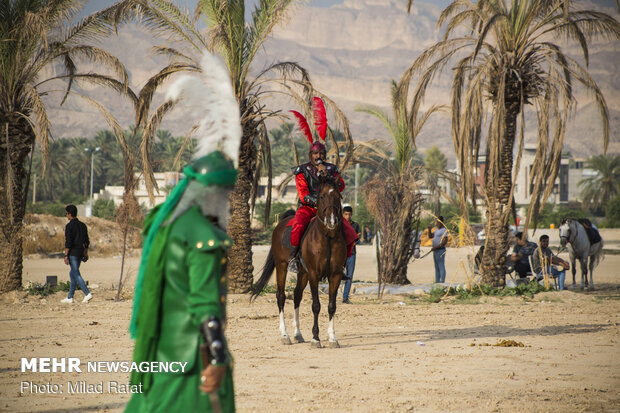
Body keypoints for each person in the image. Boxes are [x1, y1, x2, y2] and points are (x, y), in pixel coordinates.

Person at [125, 50, 238, 413]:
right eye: (225, 194)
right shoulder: (203, 235)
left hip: (161, 350)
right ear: (213, 192)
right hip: (192, 356)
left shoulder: (167, 221)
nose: (225, 202)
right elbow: (205, 305)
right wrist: (218, 359)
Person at [286, 100, 359, 273]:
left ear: (324, 154)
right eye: (315, 153)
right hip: (308, 208)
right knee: (297, 227)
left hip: (330, 209)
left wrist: (328, 177)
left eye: (321, 153)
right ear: (310, 154)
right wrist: (316, 202)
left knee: (350, 233)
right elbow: (303, 194)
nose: (318, 156)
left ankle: (341, 265)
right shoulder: (302, 170)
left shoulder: (331, 169)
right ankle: (293, 258)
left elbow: (340, 187)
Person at [61, 204, 92, 304]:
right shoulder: (83, 225)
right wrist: (85, 253)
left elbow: (68, 242)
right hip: (80, 252)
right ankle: (70, 297)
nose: (66, 215)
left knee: (76, 273)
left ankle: (87, 293)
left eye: (66, 213)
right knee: (72, 273)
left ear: (70, 214)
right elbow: (86, 241)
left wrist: (66, 255)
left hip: (73, 253)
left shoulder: (69, 226)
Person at [342, 206, 361, 304]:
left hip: (351, 254)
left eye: (349, 214)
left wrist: (353, 242)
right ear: (342, 215)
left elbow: (358, 239)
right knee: (336, 274)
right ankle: (333, 296)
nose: (347, 216)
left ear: (351, 215)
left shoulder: (355, 225)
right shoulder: (340, 224)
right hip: (340, 255)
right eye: (345, 214)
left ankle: (345, 298)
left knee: (349, 276)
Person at [430, 216, 448, 283]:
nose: (437, 223)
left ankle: (442, 281)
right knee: (436, 267)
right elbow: (430, 236)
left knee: (441, 266)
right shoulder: (436, 229)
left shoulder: (444, 230)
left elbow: (444, 242)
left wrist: (436, 247)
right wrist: (429, 229)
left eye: (438, 222)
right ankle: (437, 281)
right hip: (435, 250)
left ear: (441, 222)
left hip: (440, 250)